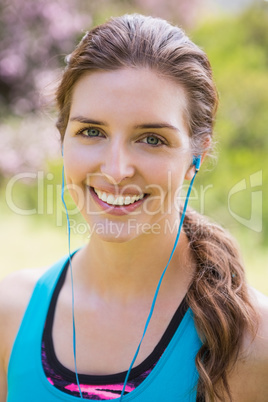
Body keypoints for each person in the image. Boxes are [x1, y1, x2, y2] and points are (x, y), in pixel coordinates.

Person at [0, 13, 267, 402]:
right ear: (62, 138)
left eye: (152, 139)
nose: (116, 170)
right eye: (91, 132)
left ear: (197, 155)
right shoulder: (10, 315)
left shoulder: (251, 342)